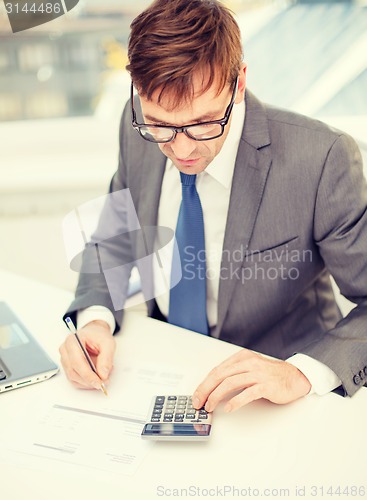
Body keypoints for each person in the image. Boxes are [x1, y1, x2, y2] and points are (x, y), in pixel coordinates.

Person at [59, 0, 367, 413]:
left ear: (239, 83)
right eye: (162, 125)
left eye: (204, 122)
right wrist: (94, 318)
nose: (181, 149)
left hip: (280, 395)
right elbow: (116, 236)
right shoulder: (134, 126)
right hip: (166, 367)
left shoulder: (322, 158)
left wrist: (302, 373)